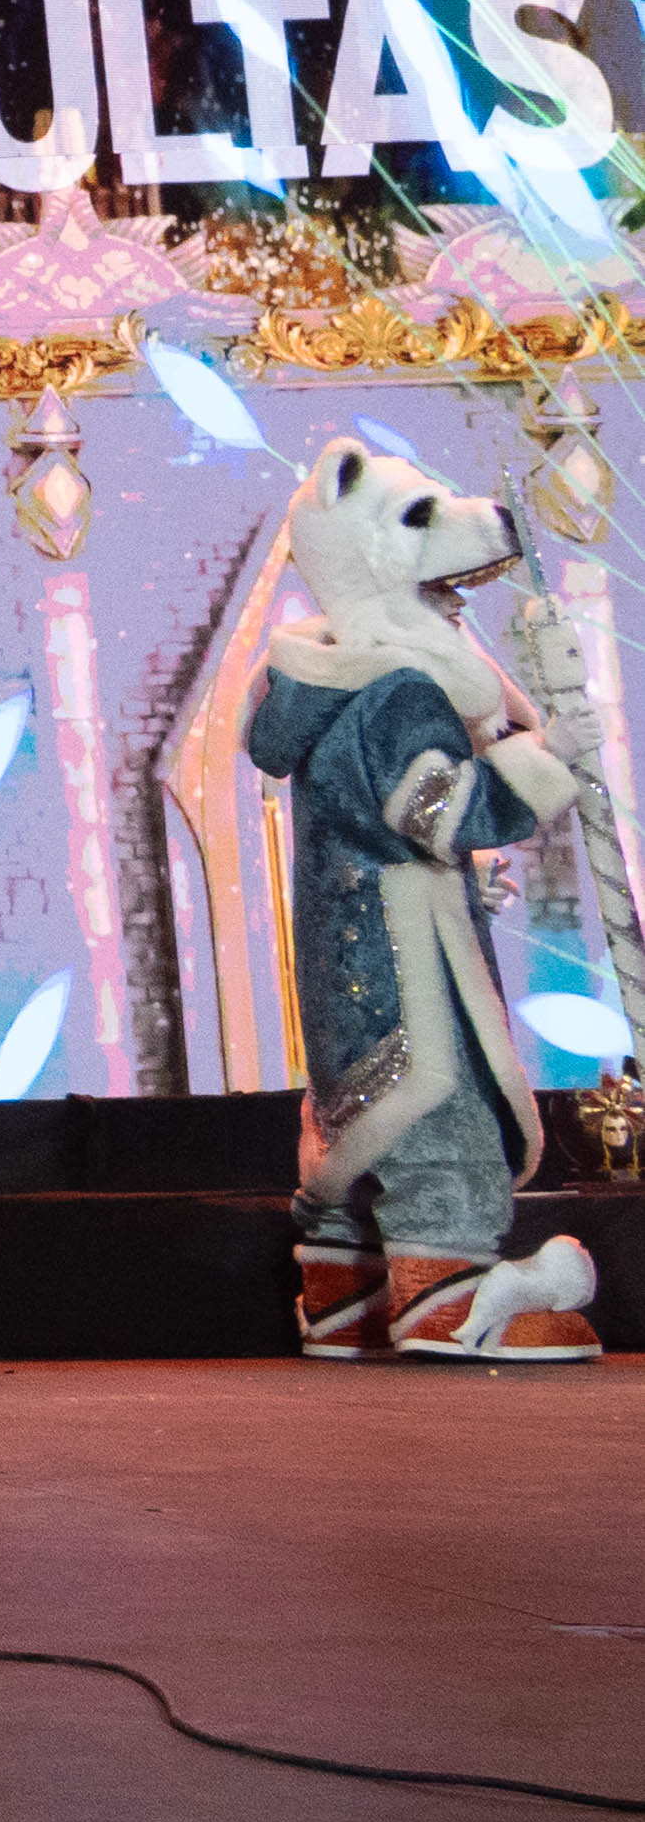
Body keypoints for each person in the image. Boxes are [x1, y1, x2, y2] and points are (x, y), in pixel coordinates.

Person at [254, 437, 605, 1364]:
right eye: (417, 521)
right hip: (405, 965)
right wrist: (548, 757)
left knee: (360, 1120)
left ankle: (347, 1288)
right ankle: (445, 1295)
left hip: (360, 958)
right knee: (440, 1111)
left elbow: (377, 821)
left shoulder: (345, 691)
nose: (455, 591)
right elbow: (442, 810)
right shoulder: (398, 688)